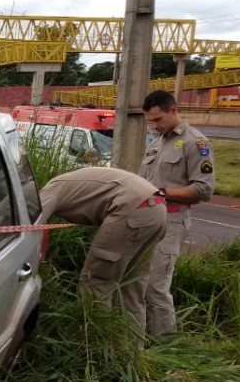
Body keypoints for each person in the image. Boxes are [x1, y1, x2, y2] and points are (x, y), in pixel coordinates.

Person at [38, 167, 168, 339]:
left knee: (96, 283)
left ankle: (96, 347)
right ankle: (132, 353)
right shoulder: (66, 182)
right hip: (157, 209)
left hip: (130, 210)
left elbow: (32, 225)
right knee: (132, 289)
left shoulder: (49, 190)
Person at [139, 90, 215, 338]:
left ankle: (165, 343)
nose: (154, 125)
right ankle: (139, 338)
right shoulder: (156, 142)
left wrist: (161, 193)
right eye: (150, 121)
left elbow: (203, 189)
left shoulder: (196, 143)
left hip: (171, 220)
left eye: (158, 119)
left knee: (155, 287)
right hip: (145, 219)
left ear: (173, 111)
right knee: (136, 282)